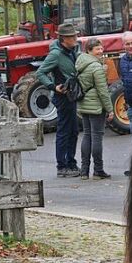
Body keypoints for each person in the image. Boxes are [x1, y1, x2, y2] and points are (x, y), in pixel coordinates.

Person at [35, 21, 82, 177]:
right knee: (64, 131)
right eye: (72, 36)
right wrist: (52, 86)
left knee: (73, 131)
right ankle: (62, 166)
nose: (76, 37)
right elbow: (40, 73)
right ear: (63, 39)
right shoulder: (56, 54)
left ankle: (71, 163)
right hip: (63, 98)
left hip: (71, 96)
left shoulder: (72, 50)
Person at [76, 38, 113, 179]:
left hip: (84, 104)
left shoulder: (80, 62)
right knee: (97, 137)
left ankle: (84, 171)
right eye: (97, 49)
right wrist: (109, 109)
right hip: (96, 105)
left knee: (87, 136)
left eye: (101, 48)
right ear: (89, 50)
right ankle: (98, 170)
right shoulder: (96, 67)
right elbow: (102, 91)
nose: (101, 51)